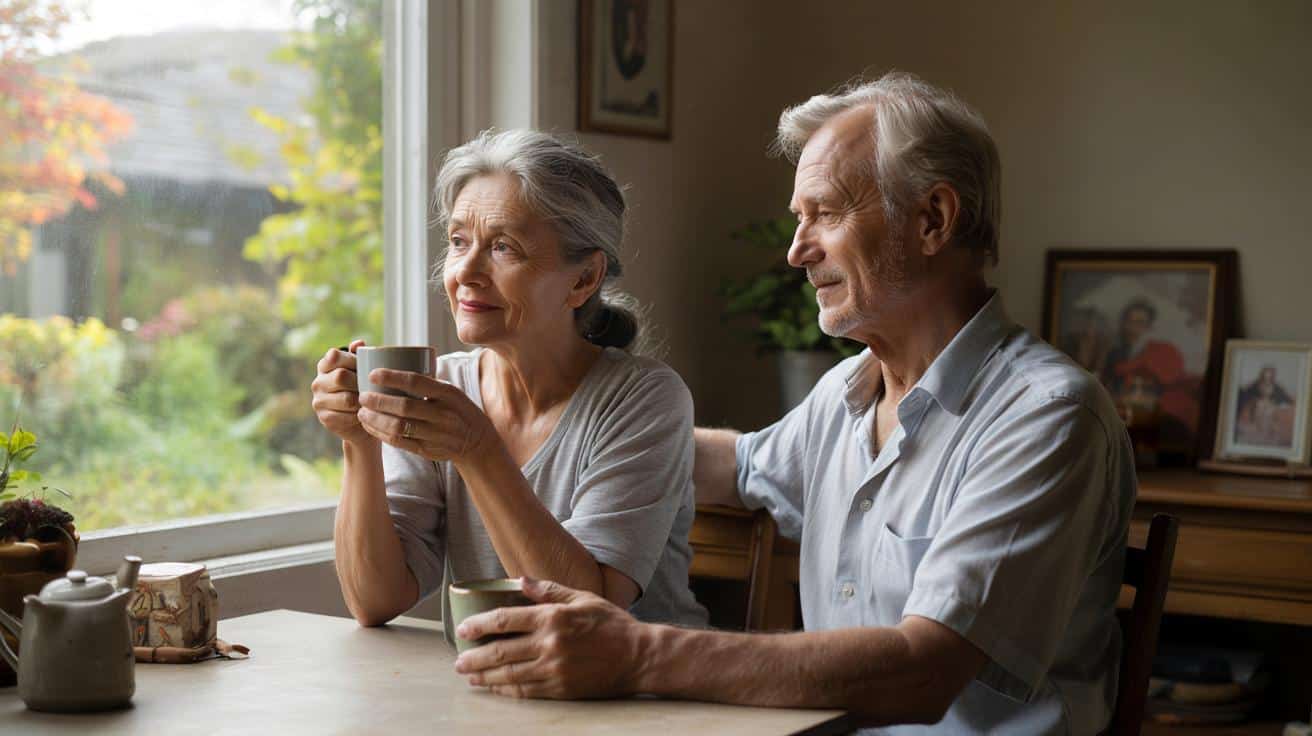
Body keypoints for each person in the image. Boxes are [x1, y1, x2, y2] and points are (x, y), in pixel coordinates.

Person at [451, 72, 1137, 734]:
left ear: (933, 220)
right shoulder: (846, 395)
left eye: (826, 214)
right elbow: (732, 465)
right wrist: (533, 425)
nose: (795, 251)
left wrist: (635, 652)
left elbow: (924, 673)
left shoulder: (1046, 416)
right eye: (799, 219)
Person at [311, 129, 707, 633]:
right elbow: (376, 599)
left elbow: (587, 611)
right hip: (498, 685)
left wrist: (478, 450)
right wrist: (358, 442)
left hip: (648, 697)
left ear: (583, 280)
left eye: (504, 247)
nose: (466, 272)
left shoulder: (644, 398)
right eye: (458, 242)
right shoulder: (440, 389)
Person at [1235, 365, 1295, 446]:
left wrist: (1276, 403)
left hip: (1270, 407)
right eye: (1266, 374)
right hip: (1258, 407)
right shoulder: (1256, 384)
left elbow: (1286, 398)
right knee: (1261, 408)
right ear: (1262, 374)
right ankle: (1260, 431)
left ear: (1272, 375)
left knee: (1269, 411)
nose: (1267, 376)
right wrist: (1256, 400)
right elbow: (1246, 392)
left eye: (1270, 374)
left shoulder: (1276, 386)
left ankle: (1267, 432)